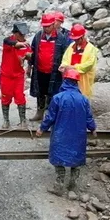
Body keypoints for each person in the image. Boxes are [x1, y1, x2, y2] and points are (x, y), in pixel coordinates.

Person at [38, 67, 96, 196]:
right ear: (77, 82)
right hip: (78, 135)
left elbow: (50, 117)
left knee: (58, 158)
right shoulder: (84, 99)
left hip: (61, 134)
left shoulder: (58, 98)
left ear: (65, 80)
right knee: (76, 158)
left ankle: (59, 185)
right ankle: (73, 185)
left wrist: (42, 129)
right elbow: (89, 118)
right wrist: (93, 128)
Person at [28, 12, 70, 120]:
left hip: (54, 72)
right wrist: (29, 66)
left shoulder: (61, 38)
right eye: (44, 26)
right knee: (40, 92)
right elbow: (32, 51)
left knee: (53, 93)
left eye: (48, 26)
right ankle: (40, 112)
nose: (46, 28)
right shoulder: (38, 36)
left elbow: (66, 54)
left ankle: (51, 115)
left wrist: (65, 69)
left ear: (53, 24)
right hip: (40, 71)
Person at [0, 22, 32, 129]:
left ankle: (23, 120)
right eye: (21, 35)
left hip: (18, 76)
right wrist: (16, 44)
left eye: (24, 35)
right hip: (6, 75)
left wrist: (28, 56)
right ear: (16, 34)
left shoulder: (25, 45)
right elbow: (6, 41)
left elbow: (30, 55)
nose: (24, 37)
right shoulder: (9, 42)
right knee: (5, 97)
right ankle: (6, 120)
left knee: (20, 97)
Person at [60, 24, 99, 98]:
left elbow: (89, 65)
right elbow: (65, 59)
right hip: (70, 78)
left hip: (83, 81)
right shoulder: (71, 46)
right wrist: (64, 66)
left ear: (83, 37)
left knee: (83, 97)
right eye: (74, 39)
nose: (75, 41)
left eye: (77, 39)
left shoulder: (91, 49)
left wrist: (73, 68)